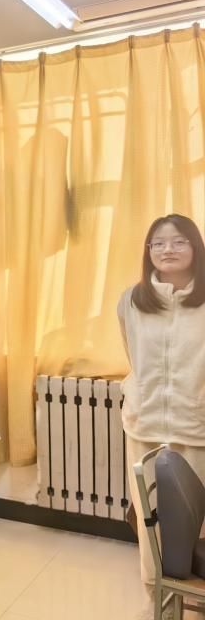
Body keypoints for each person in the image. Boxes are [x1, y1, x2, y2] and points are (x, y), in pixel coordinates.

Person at [118, 214, 205, 620]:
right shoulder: (132, 301)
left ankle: (196, 601)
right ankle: (160, 604)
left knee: (197, 528)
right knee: (150, 525)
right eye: (158, 243)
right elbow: (132, 354)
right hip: (146, 426)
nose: (167, 249)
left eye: (178, 241)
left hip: (197, 428)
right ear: (148, 251)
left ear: (195, 247)